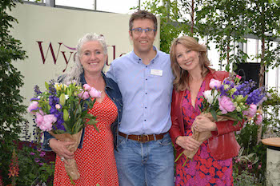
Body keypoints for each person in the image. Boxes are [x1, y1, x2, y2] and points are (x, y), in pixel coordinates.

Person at [41, 33, 122, 185]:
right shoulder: (66, 83)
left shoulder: (114, 87)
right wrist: (52, 143)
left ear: (105, 56)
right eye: (87, 53)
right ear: (79, 57)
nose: (93, 57)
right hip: (74, 156)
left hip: (105, 158)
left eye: (98, 52)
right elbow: (48, 120)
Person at [106, 10, 175, 186]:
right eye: (138, 30)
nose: (143, 35)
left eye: (148, 30)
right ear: (130, 34)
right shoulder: (117, 67)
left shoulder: (171, 64)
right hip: (126, 148)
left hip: (161, 147)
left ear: (155, 33)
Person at [169, 35, 244, 186]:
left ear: (198, 51)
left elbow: (240, 120)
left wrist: (213, 126)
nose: (186, 58)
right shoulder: (178, 87)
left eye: (188, 51)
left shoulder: (222, 79)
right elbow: (173, 122)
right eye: (179, 55)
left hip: (217, 157)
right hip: (189, 155)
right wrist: (179, 139)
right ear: (176, 61)